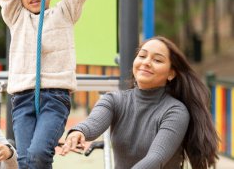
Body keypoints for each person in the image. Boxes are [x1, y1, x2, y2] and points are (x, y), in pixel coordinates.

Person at [0, 0, 93, 168]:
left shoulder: (64, 13)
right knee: (26, 158)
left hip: (55, 98)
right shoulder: (16, 17)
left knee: (39, 152)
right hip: (22, 99)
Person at [61, 36, 219, 169]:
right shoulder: (114, 100)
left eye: (157, 60)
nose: (146, 62)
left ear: (171, 73)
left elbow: (155, 159)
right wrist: (78, 132)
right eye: (142, 56)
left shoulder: (175, 111)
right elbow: (92, 124)